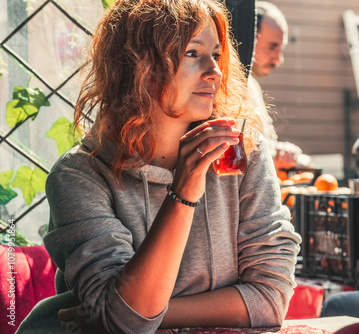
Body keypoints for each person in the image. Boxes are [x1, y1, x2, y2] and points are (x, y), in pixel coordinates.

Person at [17, 0, 301, 333]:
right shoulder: (80, 177)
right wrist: (183, 192)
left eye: (216, 54)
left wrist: (137, 315)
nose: (215, 71)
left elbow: (270, 299)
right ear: (140, 67)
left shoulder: (241, 153)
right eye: (193, 54)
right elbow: (128, 322)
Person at [248, 1, 313, 170]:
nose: (279, 60)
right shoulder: (228, 85)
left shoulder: (251, 84)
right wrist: (278, 153)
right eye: (272, 47)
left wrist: (279, 152)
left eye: (281, 48)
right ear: (248, 39)